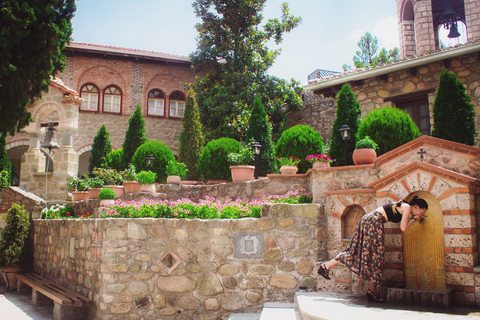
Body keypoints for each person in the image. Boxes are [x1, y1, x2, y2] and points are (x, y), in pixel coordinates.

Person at [317, 196, 428, 302]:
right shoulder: (407, 207)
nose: (421, 215)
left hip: (370, 221)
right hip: (373, 223)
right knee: (375, 257)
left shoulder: (404, 206)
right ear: (417, 207)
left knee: (371, 256)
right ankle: (371, 291)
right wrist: (414, 219)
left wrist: (414, 217)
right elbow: (403, 228)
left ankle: (326, 266)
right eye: (422, 212)